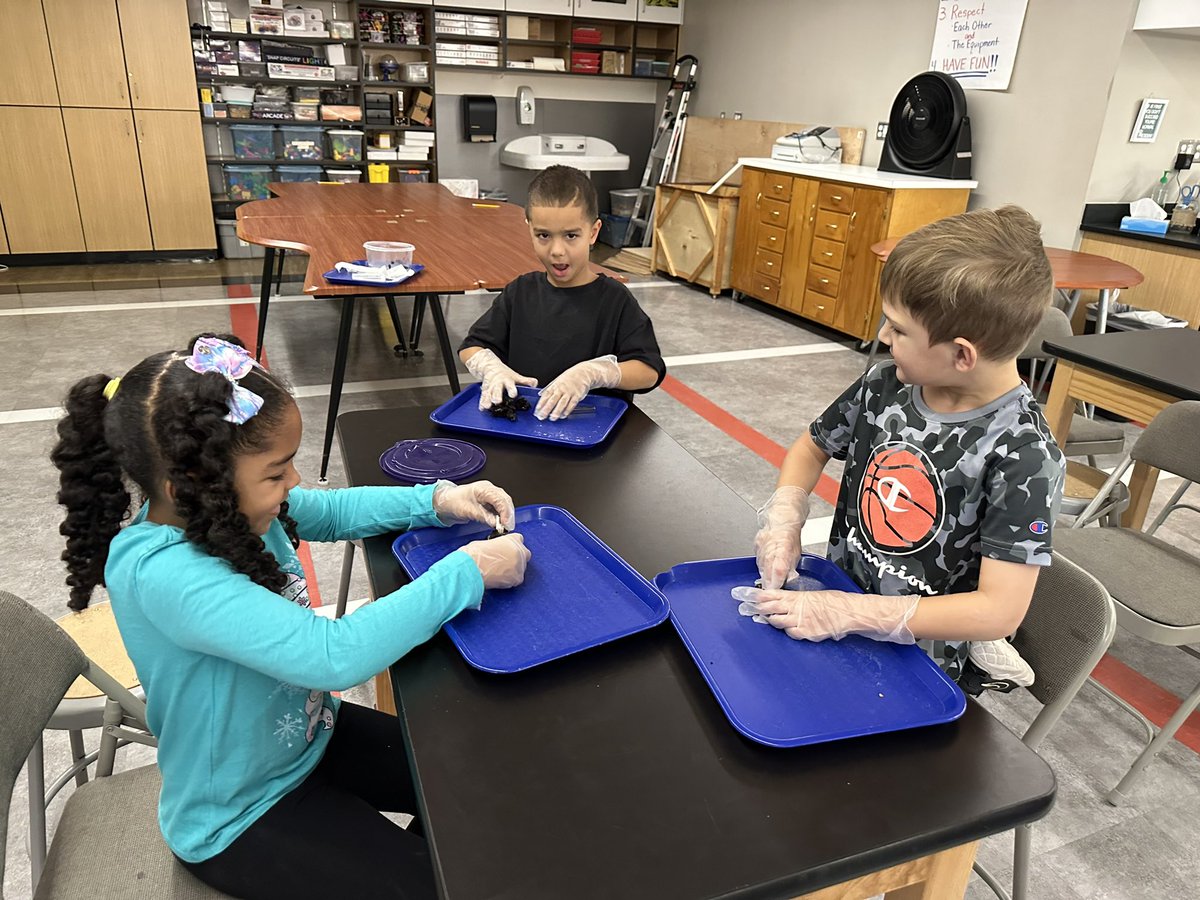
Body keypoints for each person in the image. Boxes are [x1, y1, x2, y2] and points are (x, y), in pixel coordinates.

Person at [51, 333, 531, 899]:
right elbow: (333, 656)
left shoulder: (231, 505)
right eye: (277, 473)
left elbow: (330, 510)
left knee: (481, 783)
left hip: (310, 741)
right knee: (443, 883)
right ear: (193, 488)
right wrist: (466, 572)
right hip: (241, 814)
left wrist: (436, 501)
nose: (294, 483)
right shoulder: (163, 572)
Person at [734, 206, 1066, 692]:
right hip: (833, 611)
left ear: (961, 354)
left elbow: (998, 611)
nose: (882, 336)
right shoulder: (886, 384)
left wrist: (853, 613)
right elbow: (811, 448)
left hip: (918, 664)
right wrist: (786, 517)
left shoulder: (1025, 456)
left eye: (898, 329)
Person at [459, 164, 666, 421]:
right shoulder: (520, 292)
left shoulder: (615, 300)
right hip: (526, 424)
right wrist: (491, 368)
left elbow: (649, 371)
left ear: (593, 232)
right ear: (530, 229)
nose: (557, 250)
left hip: (591, 426)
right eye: (543, 235)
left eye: (571, 236)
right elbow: (471, 346)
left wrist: (594, 373)